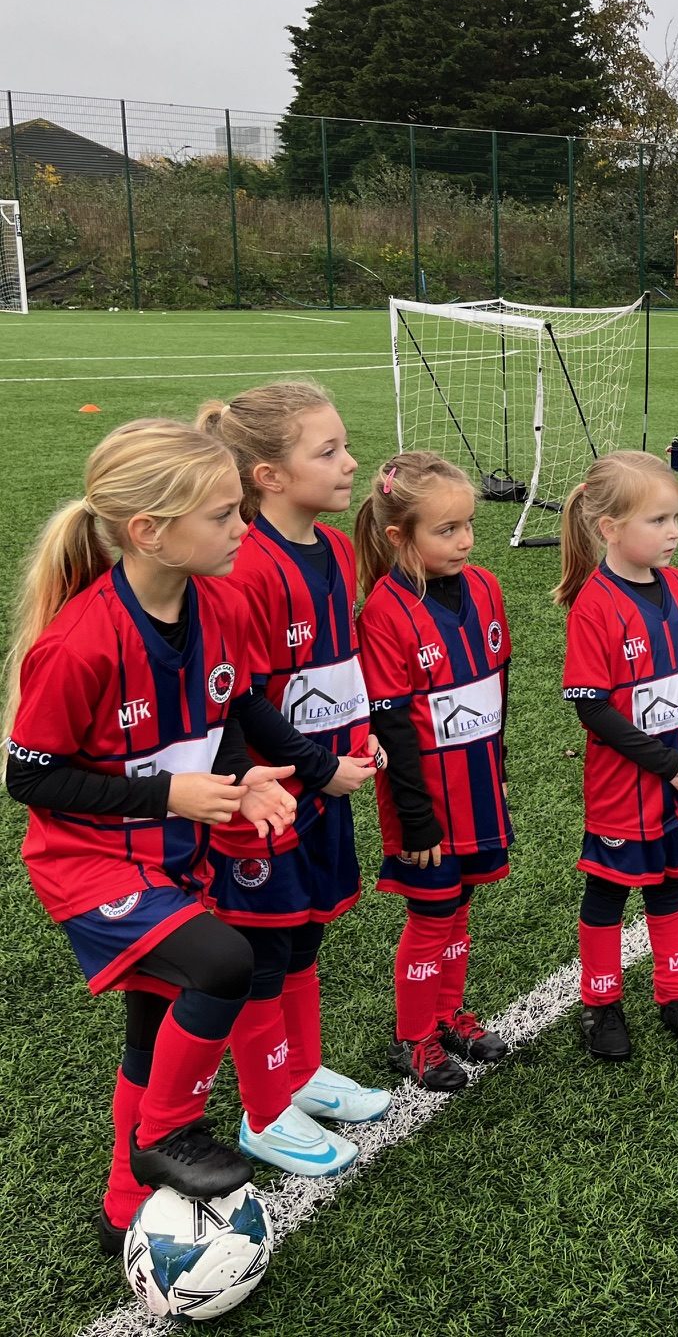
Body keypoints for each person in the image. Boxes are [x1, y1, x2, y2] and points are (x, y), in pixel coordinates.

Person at [2, 419, 299, 1253]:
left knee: (152, 1031)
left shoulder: (225, 600)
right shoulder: (79, 643)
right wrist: (171, 793)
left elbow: (225, 709)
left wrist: (241, 787)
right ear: (150, 533)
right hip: (88, 865)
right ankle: (167, 1133)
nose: (244, 529)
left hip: (175, 860)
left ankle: (122, 1203)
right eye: (225, 515)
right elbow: (30, 776)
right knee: (222, 962)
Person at [199, 384, 392, 1176]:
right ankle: (264, 1112)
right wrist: (317, 769)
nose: (350, 464)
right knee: (263, 950)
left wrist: (358, 731)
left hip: (325, 777)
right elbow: (238, 704)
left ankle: (300, 1072)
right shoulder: (245, 567)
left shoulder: (336, 548)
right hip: (266, 793)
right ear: (268, 475)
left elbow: (332, 666)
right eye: (328, 452)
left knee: (307, 928)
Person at [556, 451, 678, 1063]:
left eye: (675, 518)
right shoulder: (594, 605)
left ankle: (676, 996)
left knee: (672, 885)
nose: (673, 532)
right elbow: (592, 708)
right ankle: (601, 1002)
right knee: (608, 891)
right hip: (625, 787)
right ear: (609, 528)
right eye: (657, 520)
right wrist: (664, 762)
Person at [355, 452, 514, 1094]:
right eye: (446, 531)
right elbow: (392, 725)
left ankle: (449, 1014)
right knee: (432, 910)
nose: (466, 541)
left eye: (468, 524)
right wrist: (416, 818)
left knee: (461, 905)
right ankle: (414, 1036)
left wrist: (499, 771)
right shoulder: (385, 613)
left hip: (477, 786)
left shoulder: (484, 588)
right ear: (399, 537)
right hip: (427, 800)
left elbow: (499, 684)